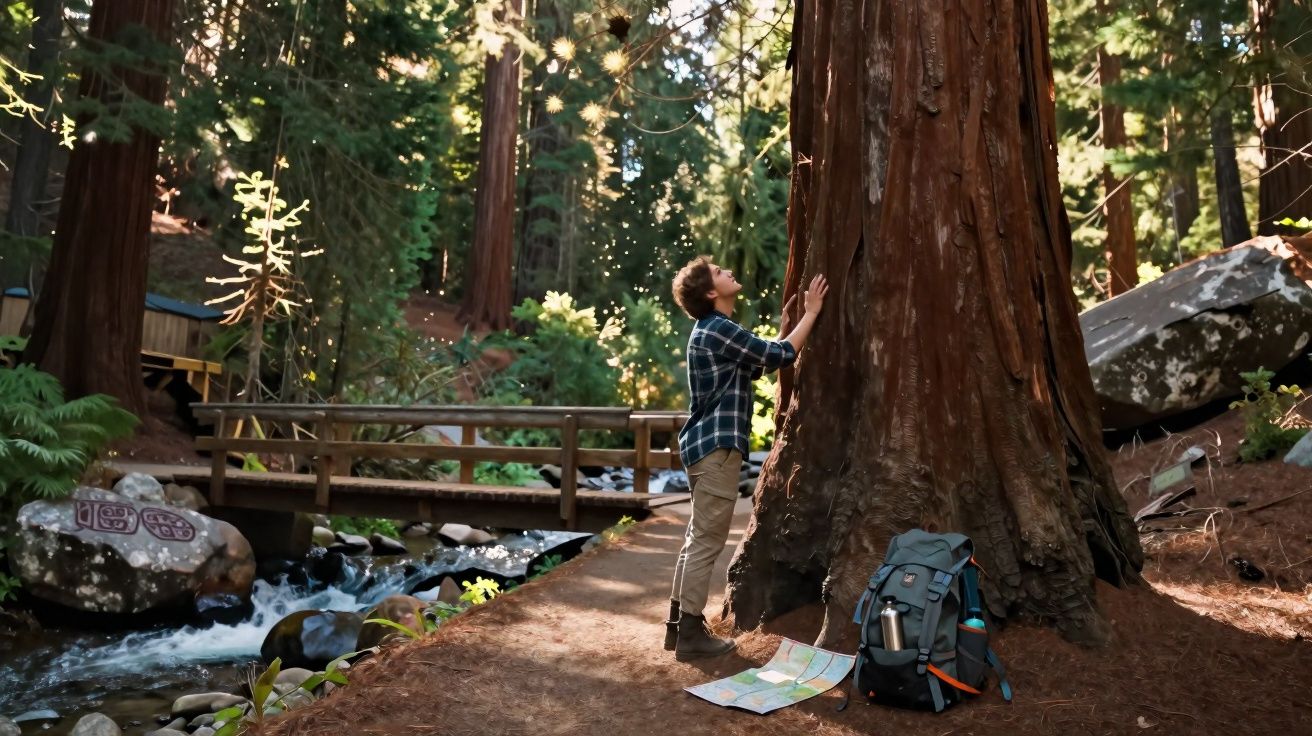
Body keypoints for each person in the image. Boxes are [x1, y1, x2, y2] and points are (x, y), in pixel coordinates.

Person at [665, 256, 828, 660]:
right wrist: (811, 313)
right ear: (710, 292)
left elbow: (756, 362)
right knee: (706, 541)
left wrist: (785, 330)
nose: (728, 272)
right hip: (716, 450)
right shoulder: (717, 328)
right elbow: (780, 355)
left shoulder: (714, 330)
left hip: (704, 448)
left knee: (696, 539)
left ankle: (677, 627)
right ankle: (689, 634)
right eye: (719, 273)